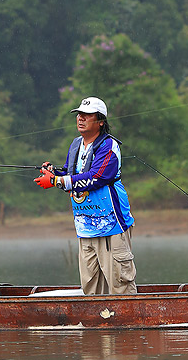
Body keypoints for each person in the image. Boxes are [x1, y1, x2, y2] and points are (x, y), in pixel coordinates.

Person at [34, 95, 137, 296]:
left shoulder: (109, 146)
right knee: (91, 289)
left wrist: (56, 181)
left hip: (111, 226)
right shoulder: (75, 145)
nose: (81, 118)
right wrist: (55, 173)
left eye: (87, 115)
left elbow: (96, 177)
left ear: (100, 121)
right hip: (85, 227)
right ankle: (98, 326)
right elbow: (72, 174)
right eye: (79, 114)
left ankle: (126, 326)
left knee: (120, 285)